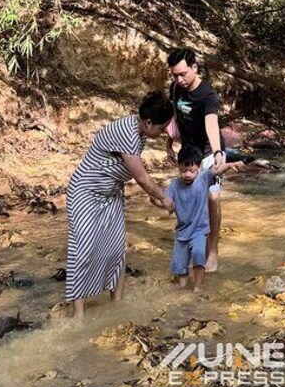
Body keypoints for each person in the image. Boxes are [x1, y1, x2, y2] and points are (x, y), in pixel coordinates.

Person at [66, 91, 175, 317]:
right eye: (161, 127)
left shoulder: (141, 132)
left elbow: (131, 171)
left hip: (111, 193)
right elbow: (142, 178)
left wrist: (153, 194)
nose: (164, 132)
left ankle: (117, 306)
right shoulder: (127, 132)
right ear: (148, 122)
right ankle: (78, 315)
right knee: (84, 248)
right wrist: (164, 197)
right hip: (85, 192)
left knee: (116, 250)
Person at [166, 48, 226, 272]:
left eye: (183, 74)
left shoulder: (207, 93)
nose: (179, 80)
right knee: (189, 197)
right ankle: (191, 241)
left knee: (212, 197)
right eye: (174, 75)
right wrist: (168, 143)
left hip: (211, 151)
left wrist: (219, 153)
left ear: (194, 68)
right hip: (189, 153)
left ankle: (212, 250)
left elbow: (211, 123)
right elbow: (176, 118)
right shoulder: (175, 88)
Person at [156, 145, 243, 292]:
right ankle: (182, 286)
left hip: (199, 230)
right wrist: (154, 200)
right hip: (182, 232)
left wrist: (229, 165)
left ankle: (197, 288)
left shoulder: (203, 178)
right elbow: (165, 203)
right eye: (183, 171)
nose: (188, 175)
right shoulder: (174, 186)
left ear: (198, 168)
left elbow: (216, 171)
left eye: (192, 171)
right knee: (181, 274)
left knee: (198, 256)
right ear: (178, 167)